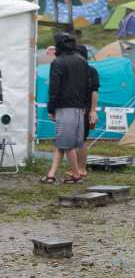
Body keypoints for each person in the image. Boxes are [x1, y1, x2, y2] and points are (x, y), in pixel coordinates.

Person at [41, 33, 90, 184]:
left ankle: (76, 175)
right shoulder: (82, 61)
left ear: (59, 46)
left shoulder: (58, 63)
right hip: (79, 108)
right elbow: (86, 87)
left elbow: (54, 89)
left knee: (66, 144)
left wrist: (51, 108)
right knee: (63, 143)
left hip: (64, 107)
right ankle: (51, 175)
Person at [76, 45, 100, 177]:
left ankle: (81, 168)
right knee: (76, 140)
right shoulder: (89, 70)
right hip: (75, 108)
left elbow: (94, 92)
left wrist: (93, 111)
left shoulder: (91, 71)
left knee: (82, 139)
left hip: (84, 109)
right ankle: (77, 168)